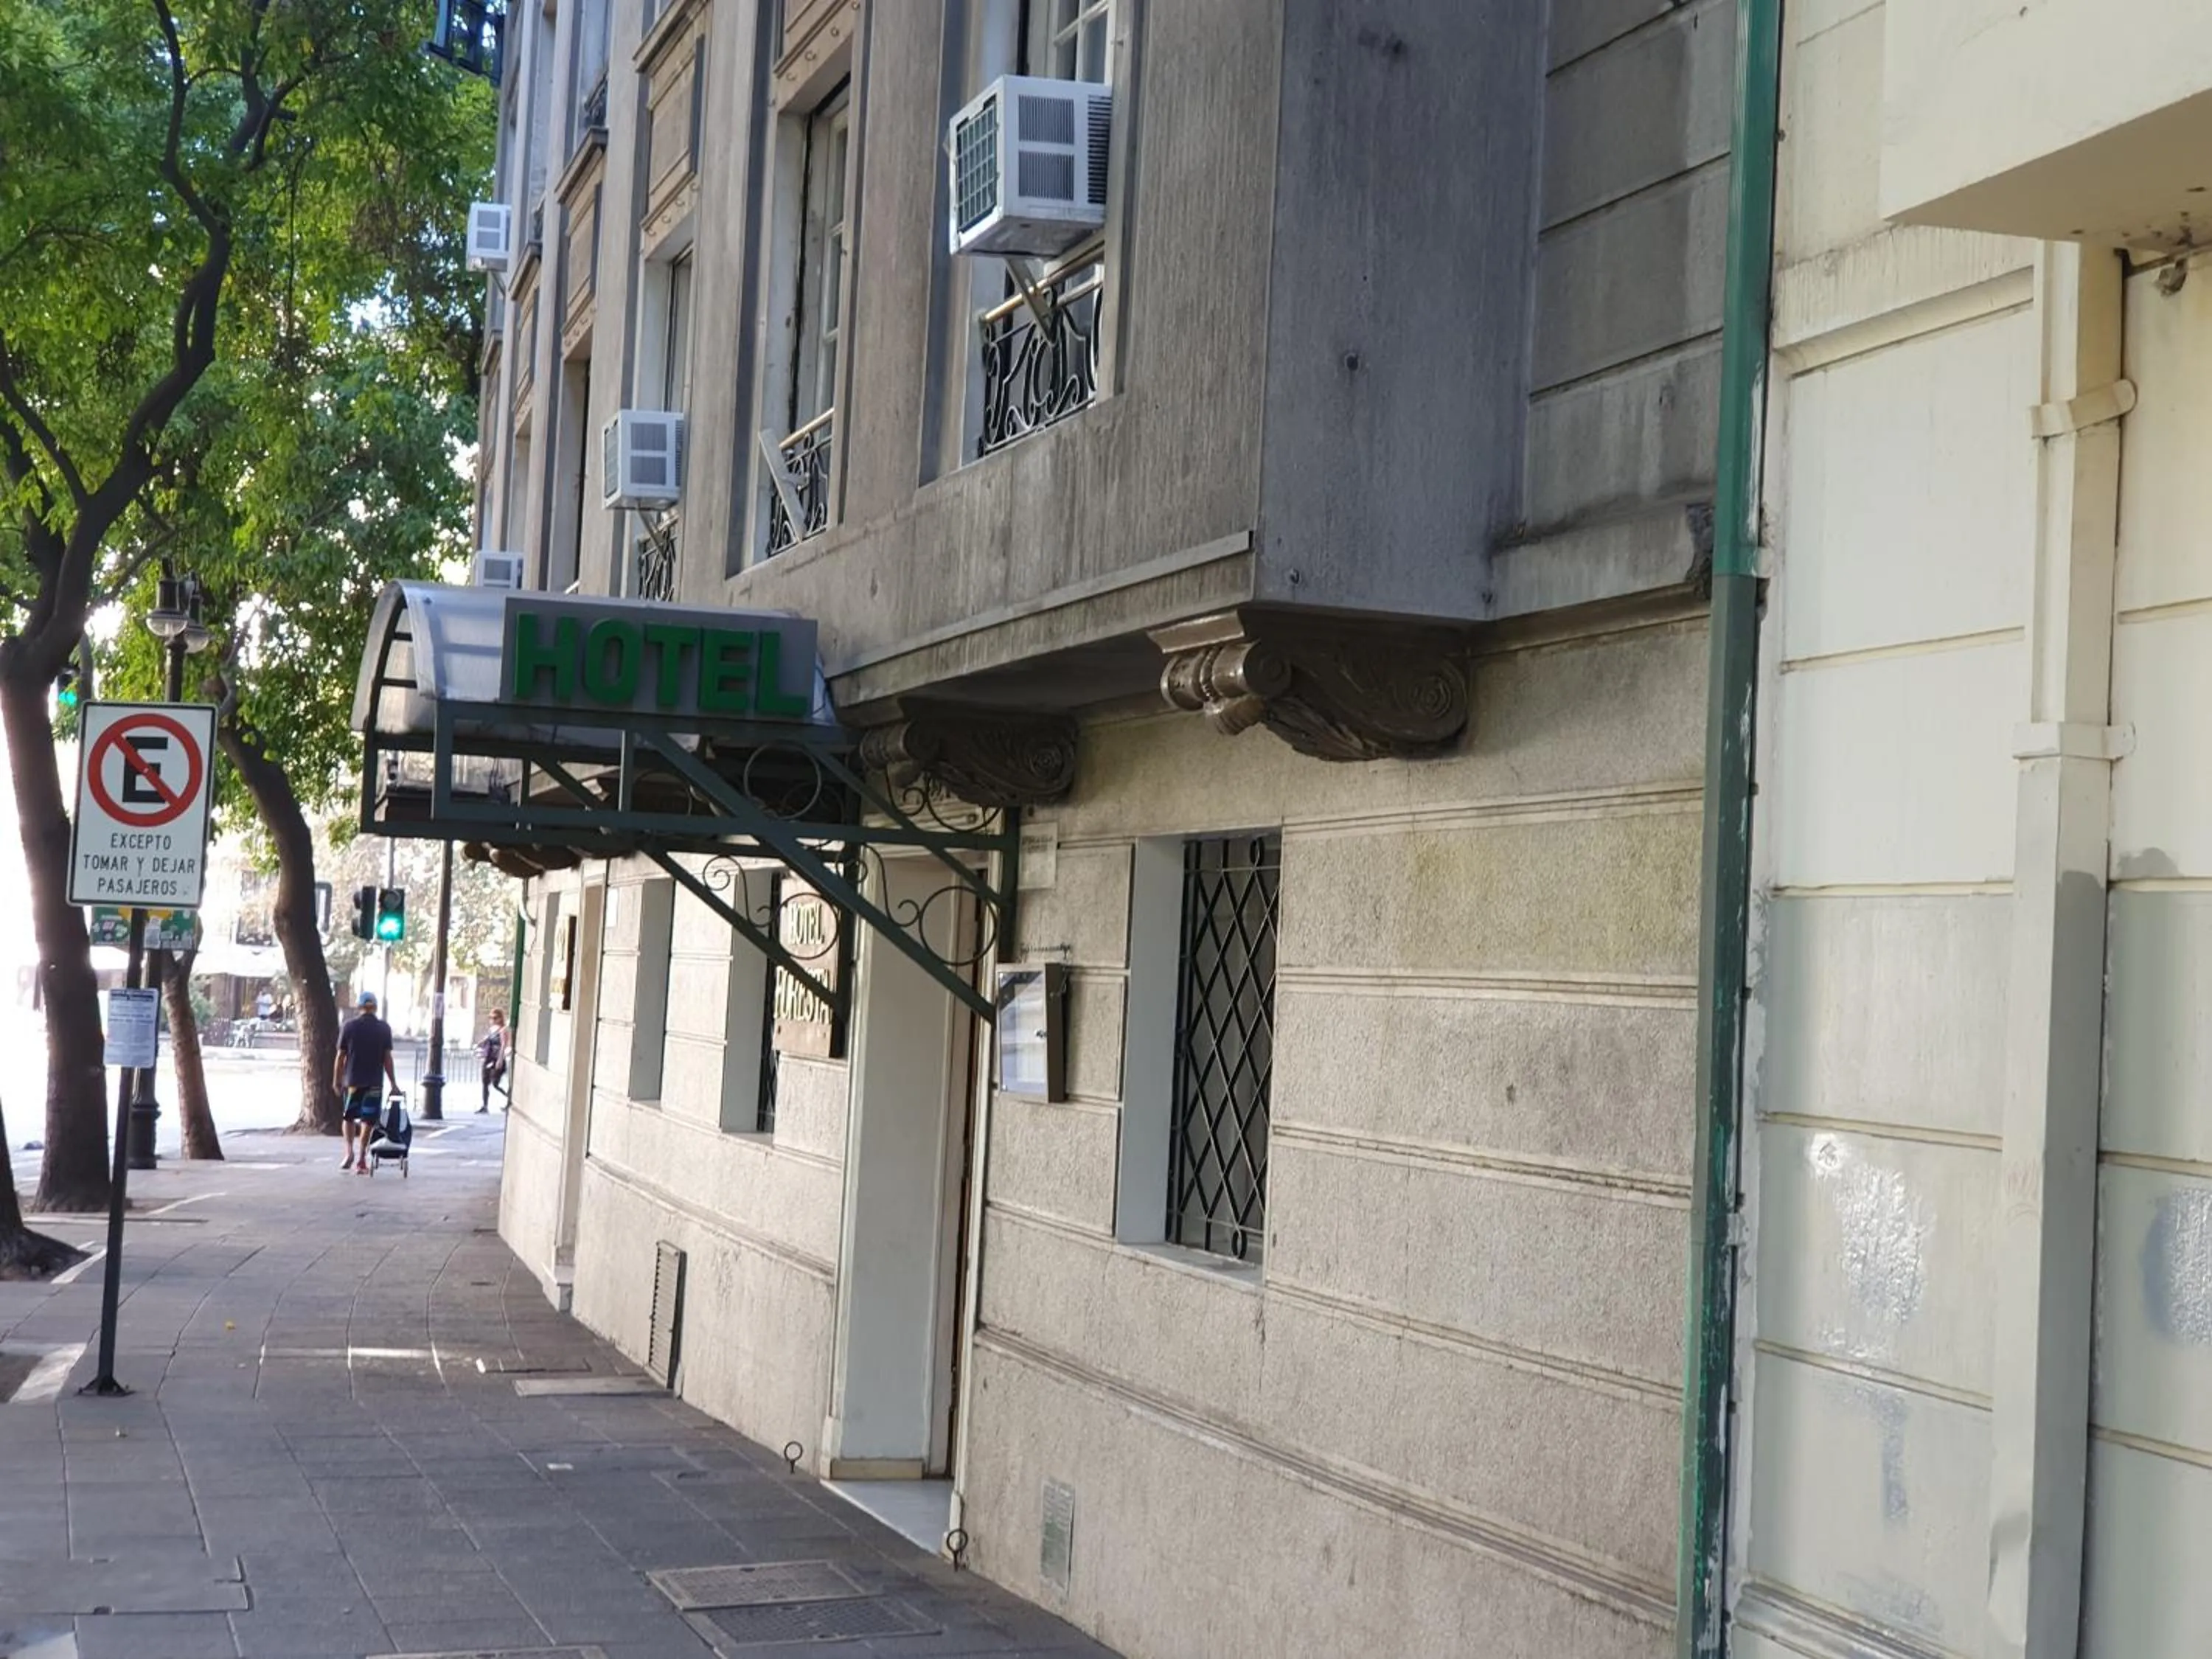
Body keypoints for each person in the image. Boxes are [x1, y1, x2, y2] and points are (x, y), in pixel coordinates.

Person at [335, 990, 399, 1175]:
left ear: (360, 1007)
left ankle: (349, 1152)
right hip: (374, 1083)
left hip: (352, 1081)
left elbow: (340, 1057)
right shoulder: (384, 1029)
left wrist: (336, 1080)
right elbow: (387, 1058)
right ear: (375, 1008)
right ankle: (362, 1158)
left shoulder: (349, 1027)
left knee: (348, 1117)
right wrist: (393, 1082)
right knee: (368, 1121)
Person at [477, 1008, 509, 1113]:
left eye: (495, 1018)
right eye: (491, 1018)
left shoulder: (503, 1030)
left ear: (500, 1019)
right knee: (485, 1082)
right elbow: (488, 1040)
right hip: (489, 1058)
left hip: (497, 1059)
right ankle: (485, 1105)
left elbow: (504, 1045)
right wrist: (482, 1043)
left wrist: (500, 1060)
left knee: (495, 1083)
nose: (493, 1020)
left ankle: (510, 1099)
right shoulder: (492, 1030)